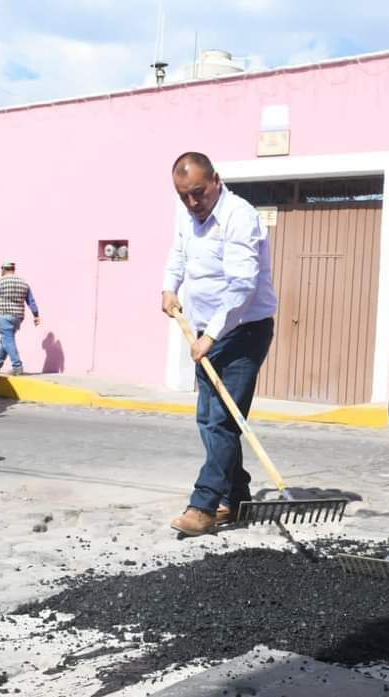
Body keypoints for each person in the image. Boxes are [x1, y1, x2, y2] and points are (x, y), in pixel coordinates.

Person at [162, 152, 277, 536]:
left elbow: (242, 285)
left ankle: (204, 505)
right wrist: (169, 288)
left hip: (243, 332)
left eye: (198, 193)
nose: (193, 203)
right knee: (209, 420)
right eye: (184, 196)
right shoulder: (186, 215)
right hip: (204, 334)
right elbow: (177, 255)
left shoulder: (239, 217)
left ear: (216, 180)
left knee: (223, 421)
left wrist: (211, 335)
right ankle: (238, 496)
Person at [0, 261, 40, 375]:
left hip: (4, 315)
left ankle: (17, 366)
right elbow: (31, 300)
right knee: (6, 339)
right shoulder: (24, 283)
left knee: (8, 340)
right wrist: (36, 314)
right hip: (18, 317)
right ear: (13, 269)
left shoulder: (0, 282)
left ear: (4, 269)